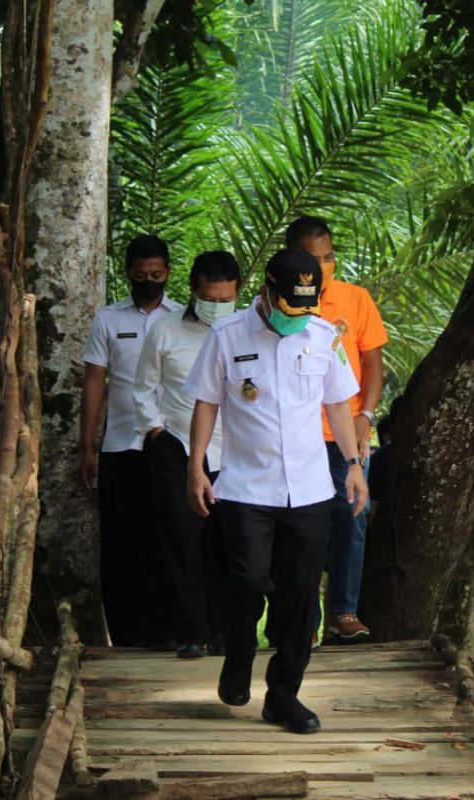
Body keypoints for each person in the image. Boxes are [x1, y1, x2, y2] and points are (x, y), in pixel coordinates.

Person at [184, 248, 366, 735]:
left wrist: (353, 464)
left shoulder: (325, 336)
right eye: (288, 308)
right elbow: (205, 403)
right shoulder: (227, 336)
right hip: (246, 487)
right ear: (266, 291)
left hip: (308, 490)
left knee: (301, 595)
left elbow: (339, 406)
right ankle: (239, 654)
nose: (296, 319)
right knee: (246, 581)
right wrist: (196, 467)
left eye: (305, 309)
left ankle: (283, 694)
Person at [285, 216, 387, 646]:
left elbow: (373, 366)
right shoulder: (275, 302)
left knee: (351, 516)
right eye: (313, 259)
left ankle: (344, 612)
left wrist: (366, 414)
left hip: (342, 435)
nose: (323, 267)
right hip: (293, 436)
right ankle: (303, 620)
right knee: (299, 527)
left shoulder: (356, 299)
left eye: (329, 258)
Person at [134, 251, 241, 659]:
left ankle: (226, 631)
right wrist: (156, 430)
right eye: (210, 299)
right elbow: (144, 387)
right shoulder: (163, 331)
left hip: (232, 453)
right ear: (194, 291)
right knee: (180, 542)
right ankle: (190, 632)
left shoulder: (244, 332)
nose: (217, 307)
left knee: (227, 545)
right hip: (177, 447)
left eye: (225, 299)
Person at [81, 234, 183, 647]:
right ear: (126, 273)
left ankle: (168, 631)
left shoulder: (182, 319)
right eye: (140, 275)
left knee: (168, 537)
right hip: (121, 444)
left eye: (156, 275)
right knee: (122, 543)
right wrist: (86, 445)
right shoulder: (108, 320)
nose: (148, 282)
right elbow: (93, 383)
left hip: (171, 444)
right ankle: (125, 635)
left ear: (168, 274)